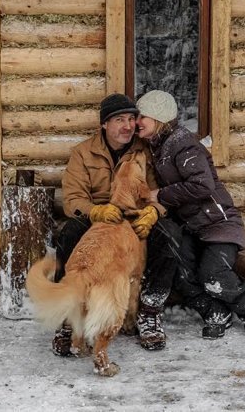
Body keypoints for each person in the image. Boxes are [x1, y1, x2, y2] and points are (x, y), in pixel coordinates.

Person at [53, 93, 183, 354]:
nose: (127, 126)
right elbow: (73, 199)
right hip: (99, 220)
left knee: (170, 234)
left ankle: (150, 311)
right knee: (69, 233)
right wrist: (96, 211)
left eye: (131, 119)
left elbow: (159, 191)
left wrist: (154, 212)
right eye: (119, 120)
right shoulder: (83, 153)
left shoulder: (143, 152)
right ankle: (68, 317)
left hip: (135, 218)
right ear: (104, 124)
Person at [135, 90, 245, 338]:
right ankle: (216, 313)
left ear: (158, 118)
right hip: (192, 227)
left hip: (218, 223)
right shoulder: (157, 146)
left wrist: (161, 195)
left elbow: (202, 185)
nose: (136, 122)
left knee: (212, 275)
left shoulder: (182, 143)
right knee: (181, 273)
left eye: (142, 116)